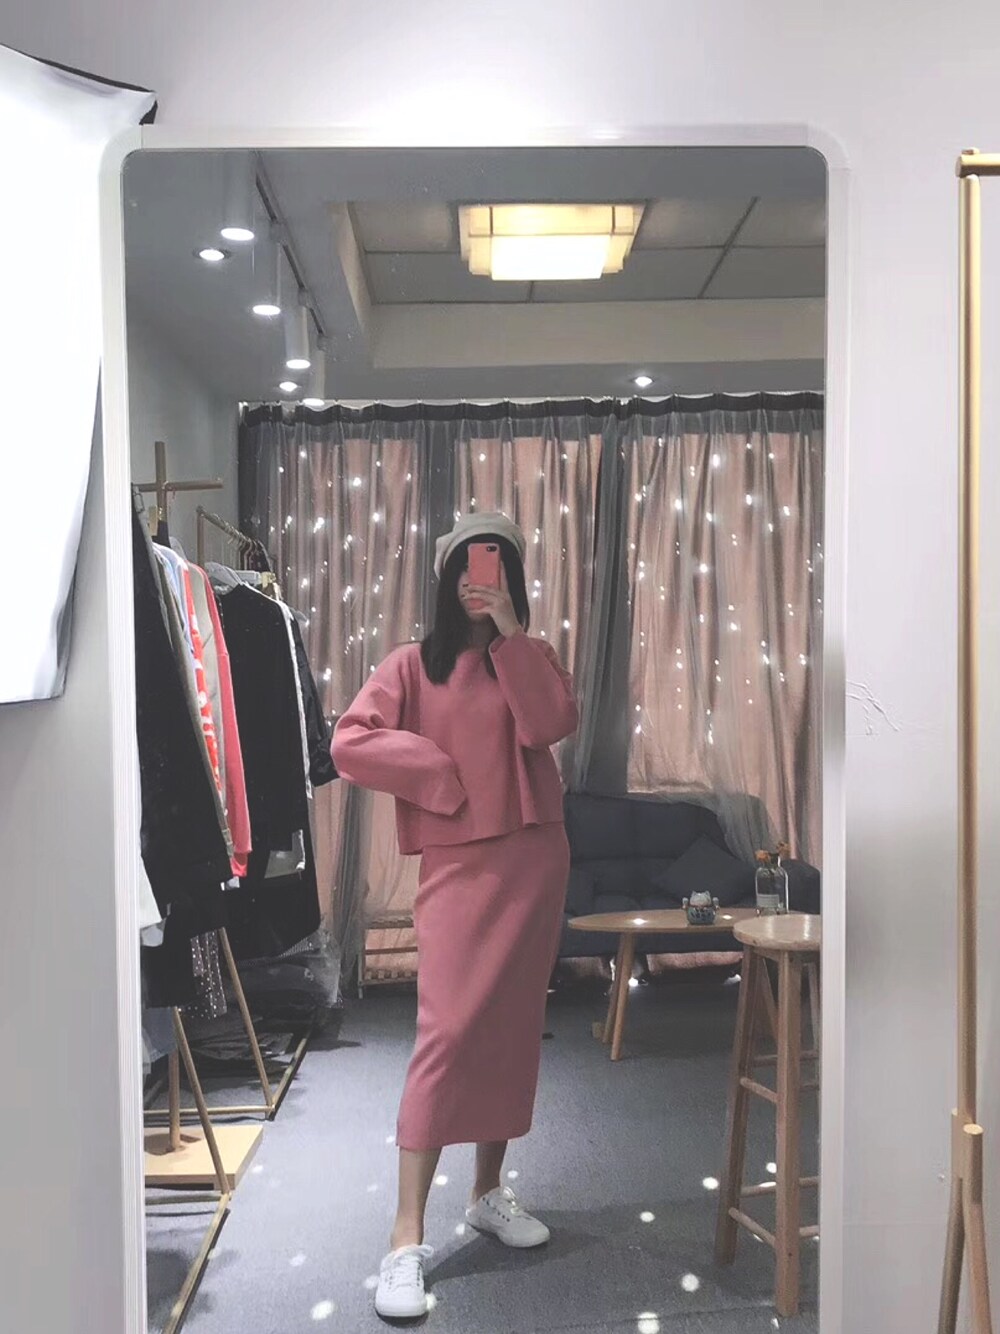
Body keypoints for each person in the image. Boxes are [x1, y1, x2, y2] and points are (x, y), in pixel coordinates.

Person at [332, 512, 578, 1320]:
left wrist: (510, 636)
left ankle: (486, 1192)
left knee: (509, 1026)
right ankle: (405, 1238)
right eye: (471, 566)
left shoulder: (530, 655)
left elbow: (549, 725)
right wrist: (434, 773)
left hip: (533, 859)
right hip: (460, 867)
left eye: (497, 565)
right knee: (448, 1033)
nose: (482, 578)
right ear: (446, 578)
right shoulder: (410, 665)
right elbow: (350, 742)